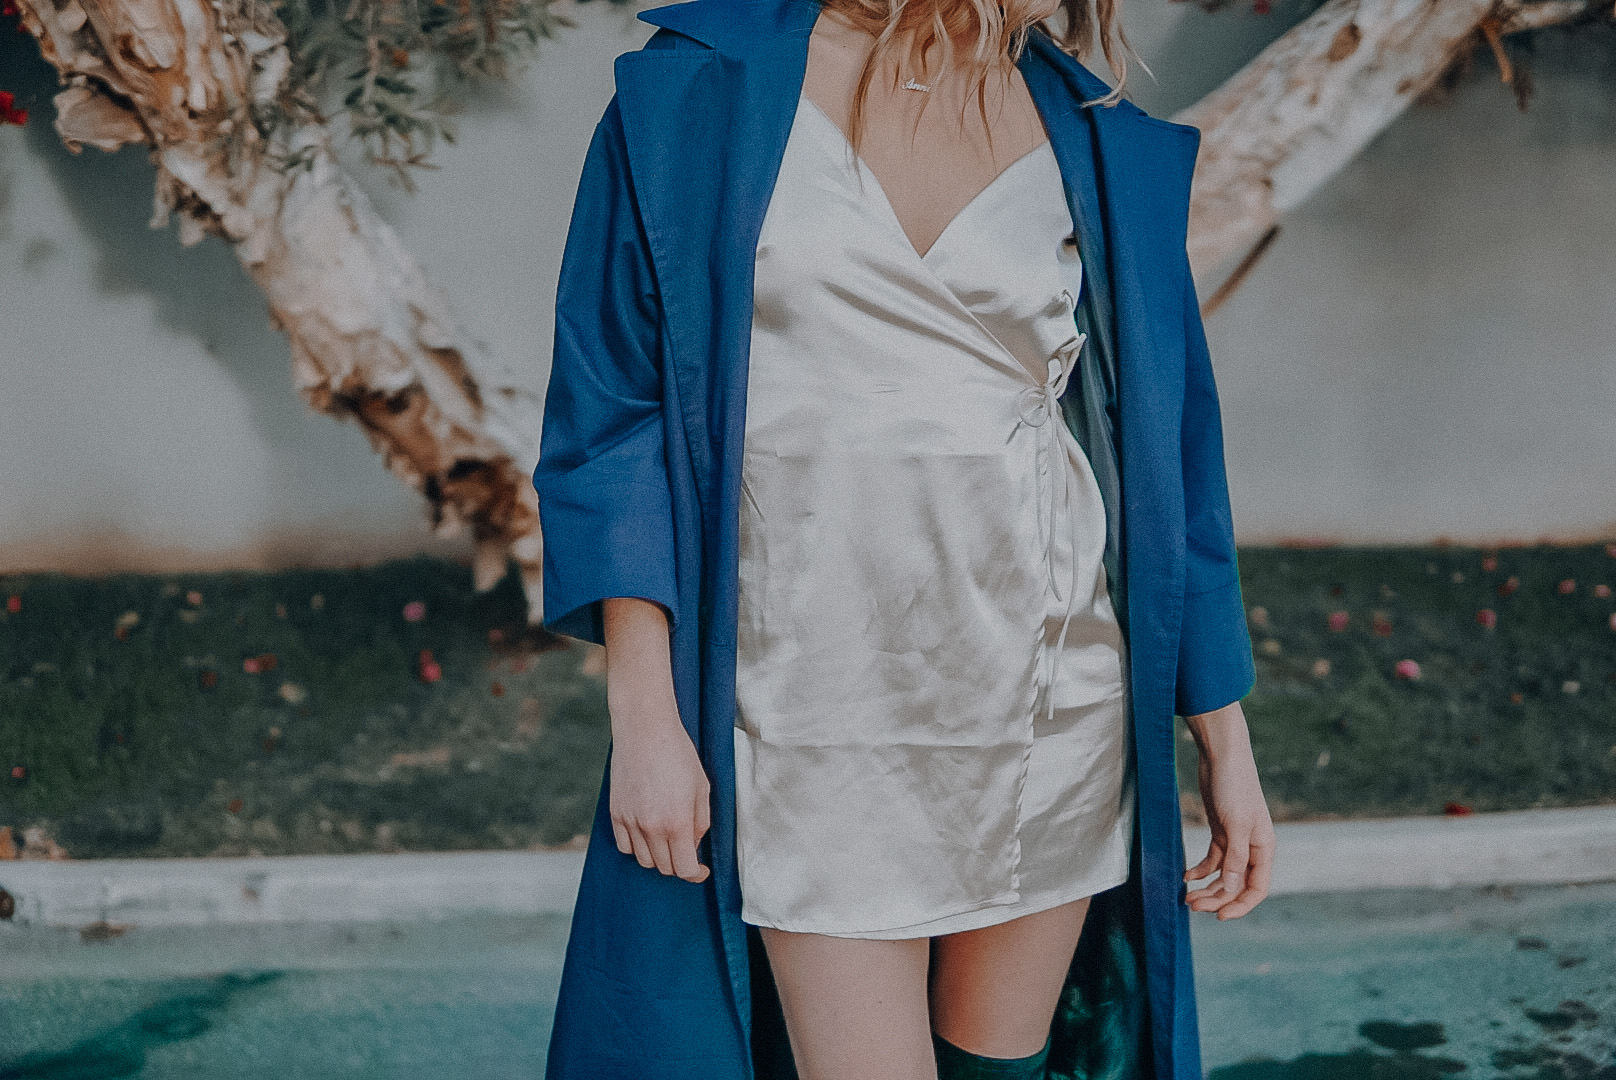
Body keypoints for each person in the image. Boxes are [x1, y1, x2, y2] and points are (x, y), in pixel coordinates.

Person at [531, 0, 1276, 1076]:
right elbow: (613, 420)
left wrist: (1224, 742)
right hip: (803, 707)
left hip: (1052, 697)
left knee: (999, 1067)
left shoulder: (1091, 130)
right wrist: (645, 717)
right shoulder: (701, 88)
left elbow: (1172, 450)